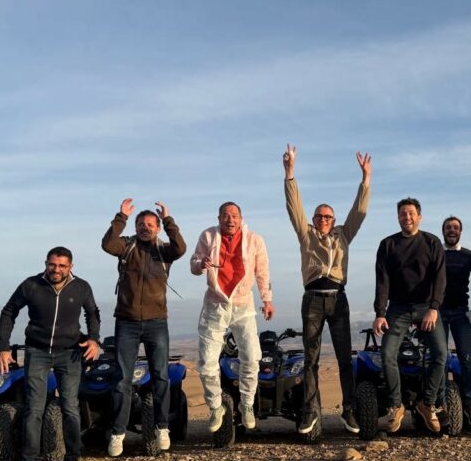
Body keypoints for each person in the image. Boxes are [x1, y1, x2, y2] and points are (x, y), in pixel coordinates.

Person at [283, 144, 371, 435]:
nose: (323, 220)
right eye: (319, 216)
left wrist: (365, 179)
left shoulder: (343, 235)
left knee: (345, 359)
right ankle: (310, 411)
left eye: (328, 217)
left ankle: (349, 410)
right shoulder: (305, 235)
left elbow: (359, 212)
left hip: (338, 300)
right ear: (313, 220)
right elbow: (294, 208)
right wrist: (290, 174)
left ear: (334, 221)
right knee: (311, 359)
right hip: (312, 301)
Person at [0, 247, 100, 461]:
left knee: (70, 408)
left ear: (70, 267)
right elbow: (9, 311)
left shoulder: (81, 287)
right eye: (52, 264)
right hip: (37, 351)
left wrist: (94, 339)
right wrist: (3, 346)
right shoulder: (31, 285)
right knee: (34, 408)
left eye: (62, 266)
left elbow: (92, 313)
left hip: (70, 353)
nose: (56, 269)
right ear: (46, 263)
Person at [101, 200, 186, 456]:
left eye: (150, 224)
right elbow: (107, 244)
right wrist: (121, 217)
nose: (145, 228)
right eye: (141, 224)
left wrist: (169, 220)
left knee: (161, 376)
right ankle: (118, 433)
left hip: (156, 322)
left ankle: (162, 428)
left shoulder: (163, 250)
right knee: (122, 380)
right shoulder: (126, 246)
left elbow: (180, 248)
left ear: (157, 228)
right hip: (126, 322)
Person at [191, 202, 274, 434]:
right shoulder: (208, 236)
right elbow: (193, 265)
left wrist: (267, 300)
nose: (230, 220)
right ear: (219, 218)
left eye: (234, 216)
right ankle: (215, 406)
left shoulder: (255, 240)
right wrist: (201, 264)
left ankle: (246, 404)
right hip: (215, 305)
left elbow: (262, 272)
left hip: (243, 304)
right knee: (207, 362)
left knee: (252, 357)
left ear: (241, 218)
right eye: (226, 216)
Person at [372, 198, 447, 433]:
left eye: (411, 213)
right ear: (398, 217)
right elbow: (382, 281)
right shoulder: (388, 245)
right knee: (387, 354)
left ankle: (428, 403)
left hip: (427, 307)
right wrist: (380, 313)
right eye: (403, 214)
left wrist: (434, 307)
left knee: (441, 354)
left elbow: (440, 278)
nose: (407, 217)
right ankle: (395, 405)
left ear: (419, 217)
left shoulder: (432, 242)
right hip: (398, 308)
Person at [441, 216, 471, 428]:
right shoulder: (436, 253)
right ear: (443, 231)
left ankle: (470, 403)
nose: (452, 230)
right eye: (448, 227)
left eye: (455, 227)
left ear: (461, 232)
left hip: (461, 313)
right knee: (439, 358)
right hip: (437, 313)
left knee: (466, 358)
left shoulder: (469, 255)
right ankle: (441, 403)